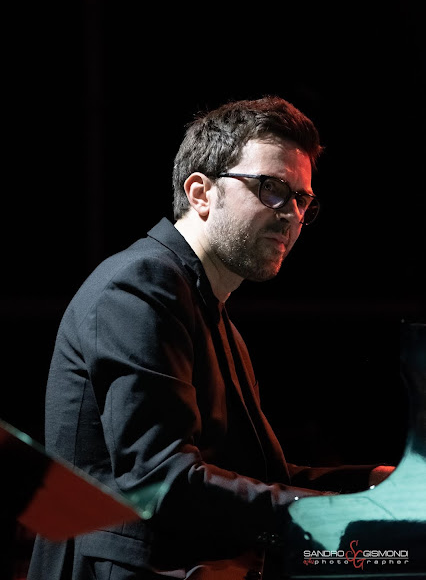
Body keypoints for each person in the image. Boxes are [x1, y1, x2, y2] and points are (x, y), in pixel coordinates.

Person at [28, 96, 393, 580]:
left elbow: (259, 478)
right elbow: (162, 479)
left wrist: (370, 485)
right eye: (271, 189)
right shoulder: (138, 288)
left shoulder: (207, 311)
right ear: (200, 192)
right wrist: (337, 514)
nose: (291, 214)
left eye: (302, 199)